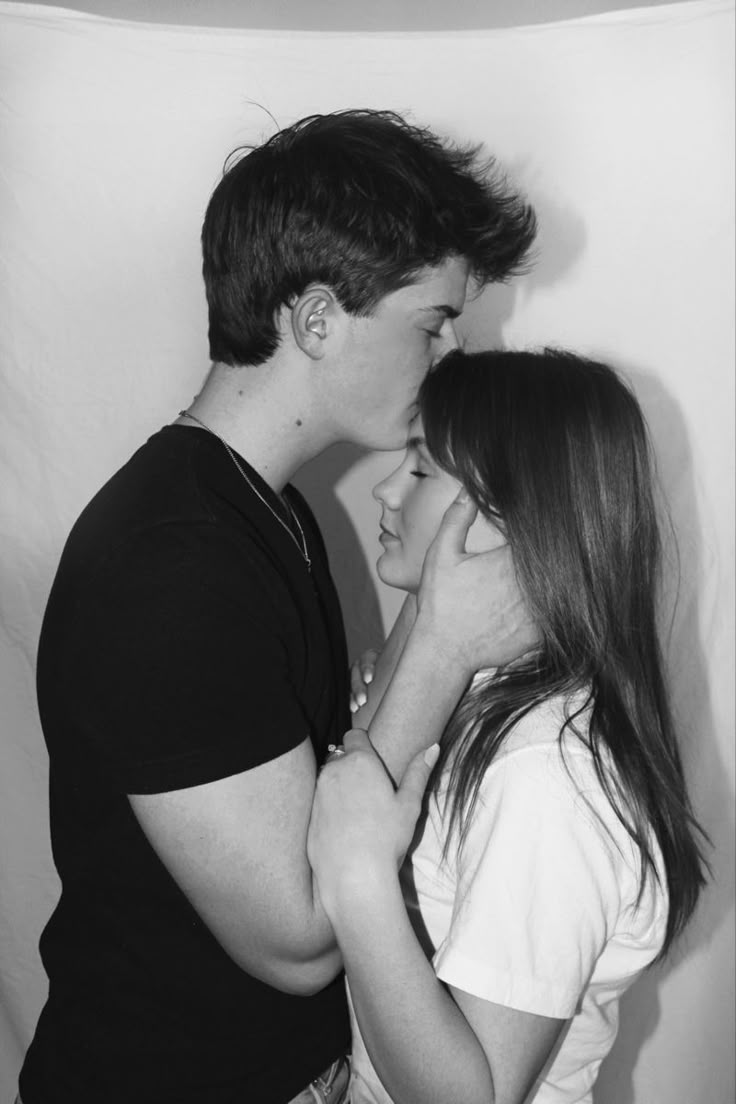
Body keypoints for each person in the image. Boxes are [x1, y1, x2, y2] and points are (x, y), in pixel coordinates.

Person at [18, 111, 537, 1103]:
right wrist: (444, 638)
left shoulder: (267, 514)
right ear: (315, 320)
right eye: (432, 321)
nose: (450, 353)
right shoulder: (173, 564)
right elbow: (297, 938)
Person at [308, 348, 709, 1104]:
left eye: (421, 471)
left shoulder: (547, 778)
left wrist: (359, 878)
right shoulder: (484, 698)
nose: (387, 493)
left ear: (521, 520)